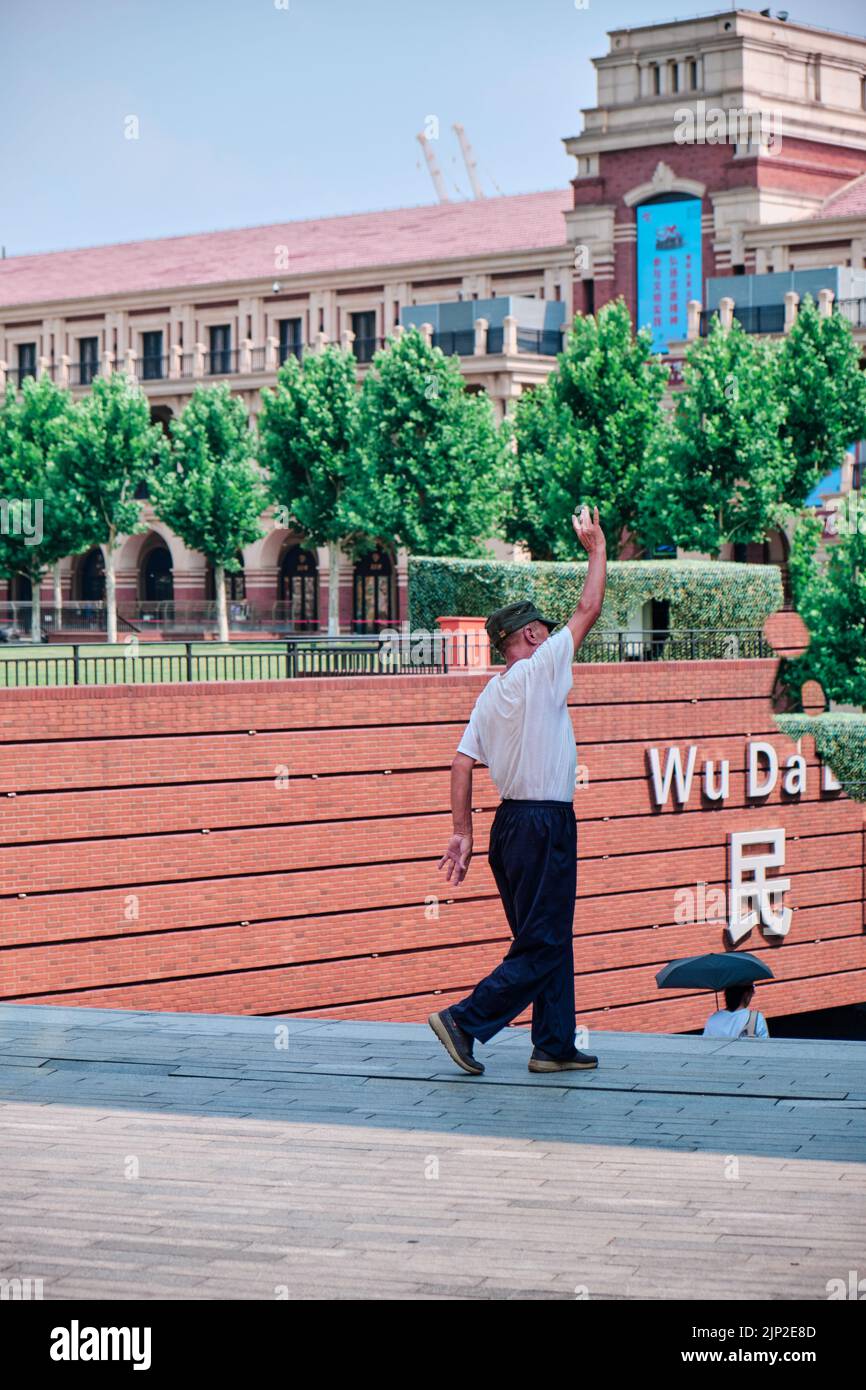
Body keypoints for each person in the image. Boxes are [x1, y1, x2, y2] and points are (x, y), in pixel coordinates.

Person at [429, 504, 607, 1076]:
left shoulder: (490, 692)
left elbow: (461, 763)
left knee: (544, 936)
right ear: (530, 634)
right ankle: (464, 1021)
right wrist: (597, 550)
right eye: (545, 631)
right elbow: (589, 608)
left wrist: (463, 833)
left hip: (508, 829)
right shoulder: (541, 667)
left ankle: (553, 1044)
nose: (555, 637)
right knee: (545, 942)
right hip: (544, 822)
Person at [703, 985, 769, 1039]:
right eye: (752, 989)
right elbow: (766, 1049)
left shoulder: (712, 1020)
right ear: (746, 994)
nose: (753, 993)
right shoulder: (756, 1018)